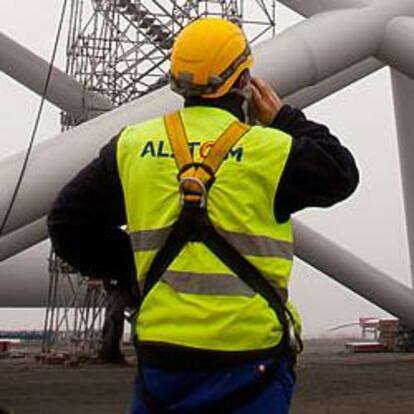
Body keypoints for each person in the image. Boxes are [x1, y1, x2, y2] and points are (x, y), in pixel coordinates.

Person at [48, 18, 359, 413]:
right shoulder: (269, 150)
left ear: (175, 81)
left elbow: (67, 222)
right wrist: (283, 117)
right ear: (245, 78)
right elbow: (341, 173)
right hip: (250, 358)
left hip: (164, 359)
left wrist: (132, 269)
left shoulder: (133, 145)